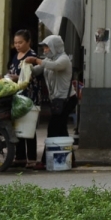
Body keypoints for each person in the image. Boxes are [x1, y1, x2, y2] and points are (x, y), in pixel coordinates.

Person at [25, 34, 77, 168]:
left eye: (47, 47)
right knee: (61, 129)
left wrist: (36, 60)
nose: (45, 50)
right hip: (57, 100)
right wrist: (26, 68)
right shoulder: (48, 59)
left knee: (53, 128)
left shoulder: (64, 59)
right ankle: (71, 159)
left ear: (55, 47)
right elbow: (37, 70)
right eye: (44, 47)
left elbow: (54, 66)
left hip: (66, 99)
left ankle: (43, 161)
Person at [6, 30, 40, 168]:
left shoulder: (32, 57)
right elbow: (13, 71)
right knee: (18, 125)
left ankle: (31, 158)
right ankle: (20, 157)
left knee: (29, 126)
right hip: (18, 95)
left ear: (28, 42)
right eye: (15, 43)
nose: (17, 45)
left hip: (29, 96)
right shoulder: (15, 56)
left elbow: (30, 76)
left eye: (20, 42)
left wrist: (17, 78)